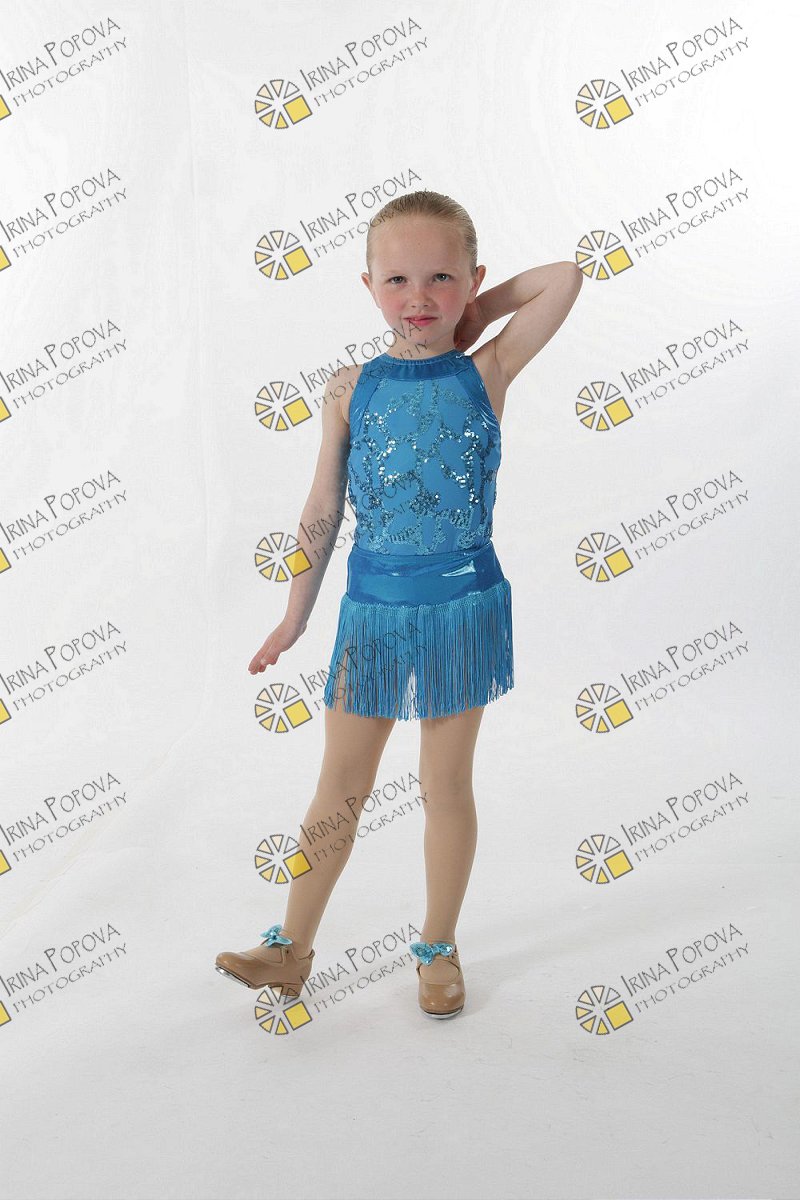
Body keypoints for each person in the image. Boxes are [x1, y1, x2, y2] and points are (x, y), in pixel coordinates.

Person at [215, 189, 583, 1018]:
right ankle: (290, 948)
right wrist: (294, 616)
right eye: (398, 281)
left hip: (461, 608)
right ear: (368, 287)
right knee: (338, 787)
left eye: (441, 278)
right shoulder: (349, 389)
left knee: (443, 785)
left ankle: (438, 947)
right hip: (372, 612)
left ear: (473, 280)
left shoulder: (486, 370)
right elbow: (321, 507)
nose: (419, 297)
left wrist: (473, 317)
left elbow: (564, 277)